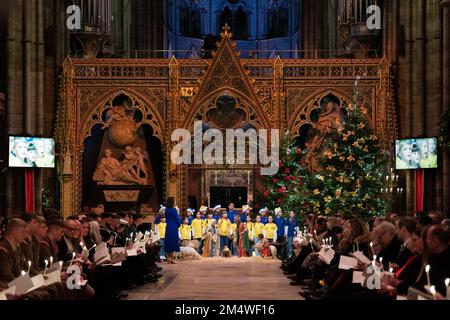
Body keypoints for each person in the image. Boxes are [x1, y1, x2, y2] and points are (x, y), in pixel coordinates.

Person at [164, 197, 181, 264]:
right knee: (173, 242)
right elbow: (177, 218)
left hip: (168, 226)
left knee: (169, 242)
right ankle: (171, 258)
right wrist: (179, 224)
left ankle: (169, 258)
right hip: (173, 226)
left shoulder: (166, 210)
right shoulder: (174, 210)